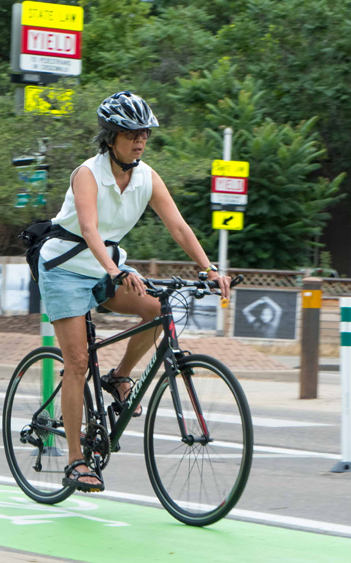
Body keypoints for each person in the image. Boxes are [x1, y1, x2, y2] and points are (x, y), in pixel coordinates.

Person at [38, 91, 231, 492]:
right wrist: (114, 269)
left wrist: (209, 268)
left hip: (105, 266)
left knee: (159, 308)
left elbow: (177, 226)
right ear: (110, 137)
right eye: (130, 134)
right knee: (76, 362)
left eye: (144, 133)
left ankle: (120, 376)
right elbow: (89, 228)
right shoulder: (87, 174)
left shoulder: (147, 176)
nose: (139, 140)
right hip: (65, 270)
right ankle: (75, 461)